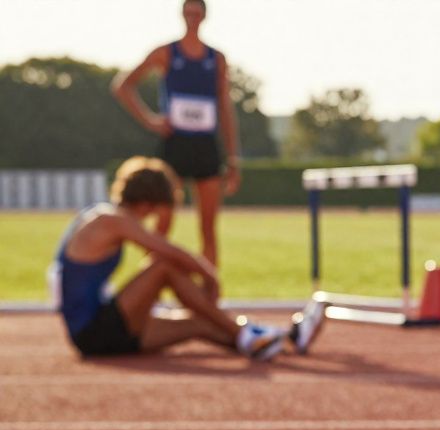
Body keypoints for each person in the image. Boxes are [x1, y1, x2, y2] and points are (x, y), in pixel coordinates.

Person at [52, 157, 323, 360]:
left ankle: (280, 339)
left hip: (99, 333)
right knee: (163, 268)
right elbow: (168, 252)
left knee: (200, 325)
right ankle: (245, 333)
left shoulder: (101, 215)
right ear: (148, 203)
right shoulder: (111, 220)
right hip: (94, 332)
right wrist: (209, 276)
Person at [112, 0, 239, 268]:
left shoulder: (216, 59)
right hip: (175, 145)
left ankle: (209, 297)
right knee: (163, 222)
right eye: (188, 12)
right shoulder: (166, 53)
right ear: (182, 14)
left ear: (205, 16)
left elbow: (225, 108)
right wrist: (150, 120)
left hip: (206, 144)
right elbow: (123, 86)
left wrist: (233, 157)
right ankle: (149, 289)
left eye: (197, 12)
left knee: (208, 227)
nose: (192, 17)